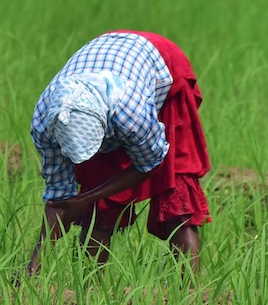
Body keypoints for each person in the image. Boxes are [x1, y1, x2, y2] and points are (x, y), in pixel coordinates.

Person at [24, 31, 211, 274]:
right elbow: (59, 197)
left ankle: (191, 298)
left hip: (160, 64)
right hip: (109, 63)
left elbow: (151, 163)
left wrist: (85, 198)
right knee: (98, 201)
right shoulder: (46, 124)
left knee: (176, 190)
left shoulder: (132, 115)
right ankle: (88, 296)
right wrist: (34, 264)